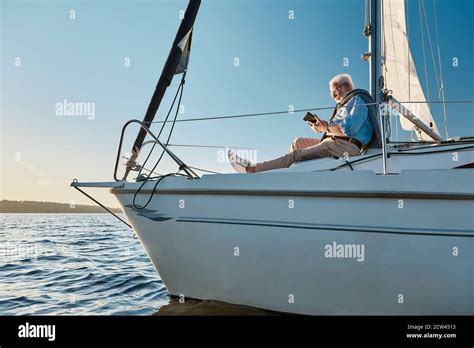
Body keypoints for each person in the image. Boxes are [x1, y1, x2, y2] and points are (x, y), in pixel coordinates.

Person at [228, 74, 374, 173]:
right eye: (332, 95)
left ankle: (252, 169)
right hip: (334, 142)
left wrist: (326, 127)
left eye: (335, 92)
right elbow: (337, 129)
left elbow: (350, 128)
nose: (334, 96)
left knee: (296, 155)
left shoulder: (358, 100)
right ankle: (284, 173)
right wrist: (321, 129)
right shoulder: (343, 105)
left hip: (346, 146)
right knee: (298, 142)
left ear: (347, 86)